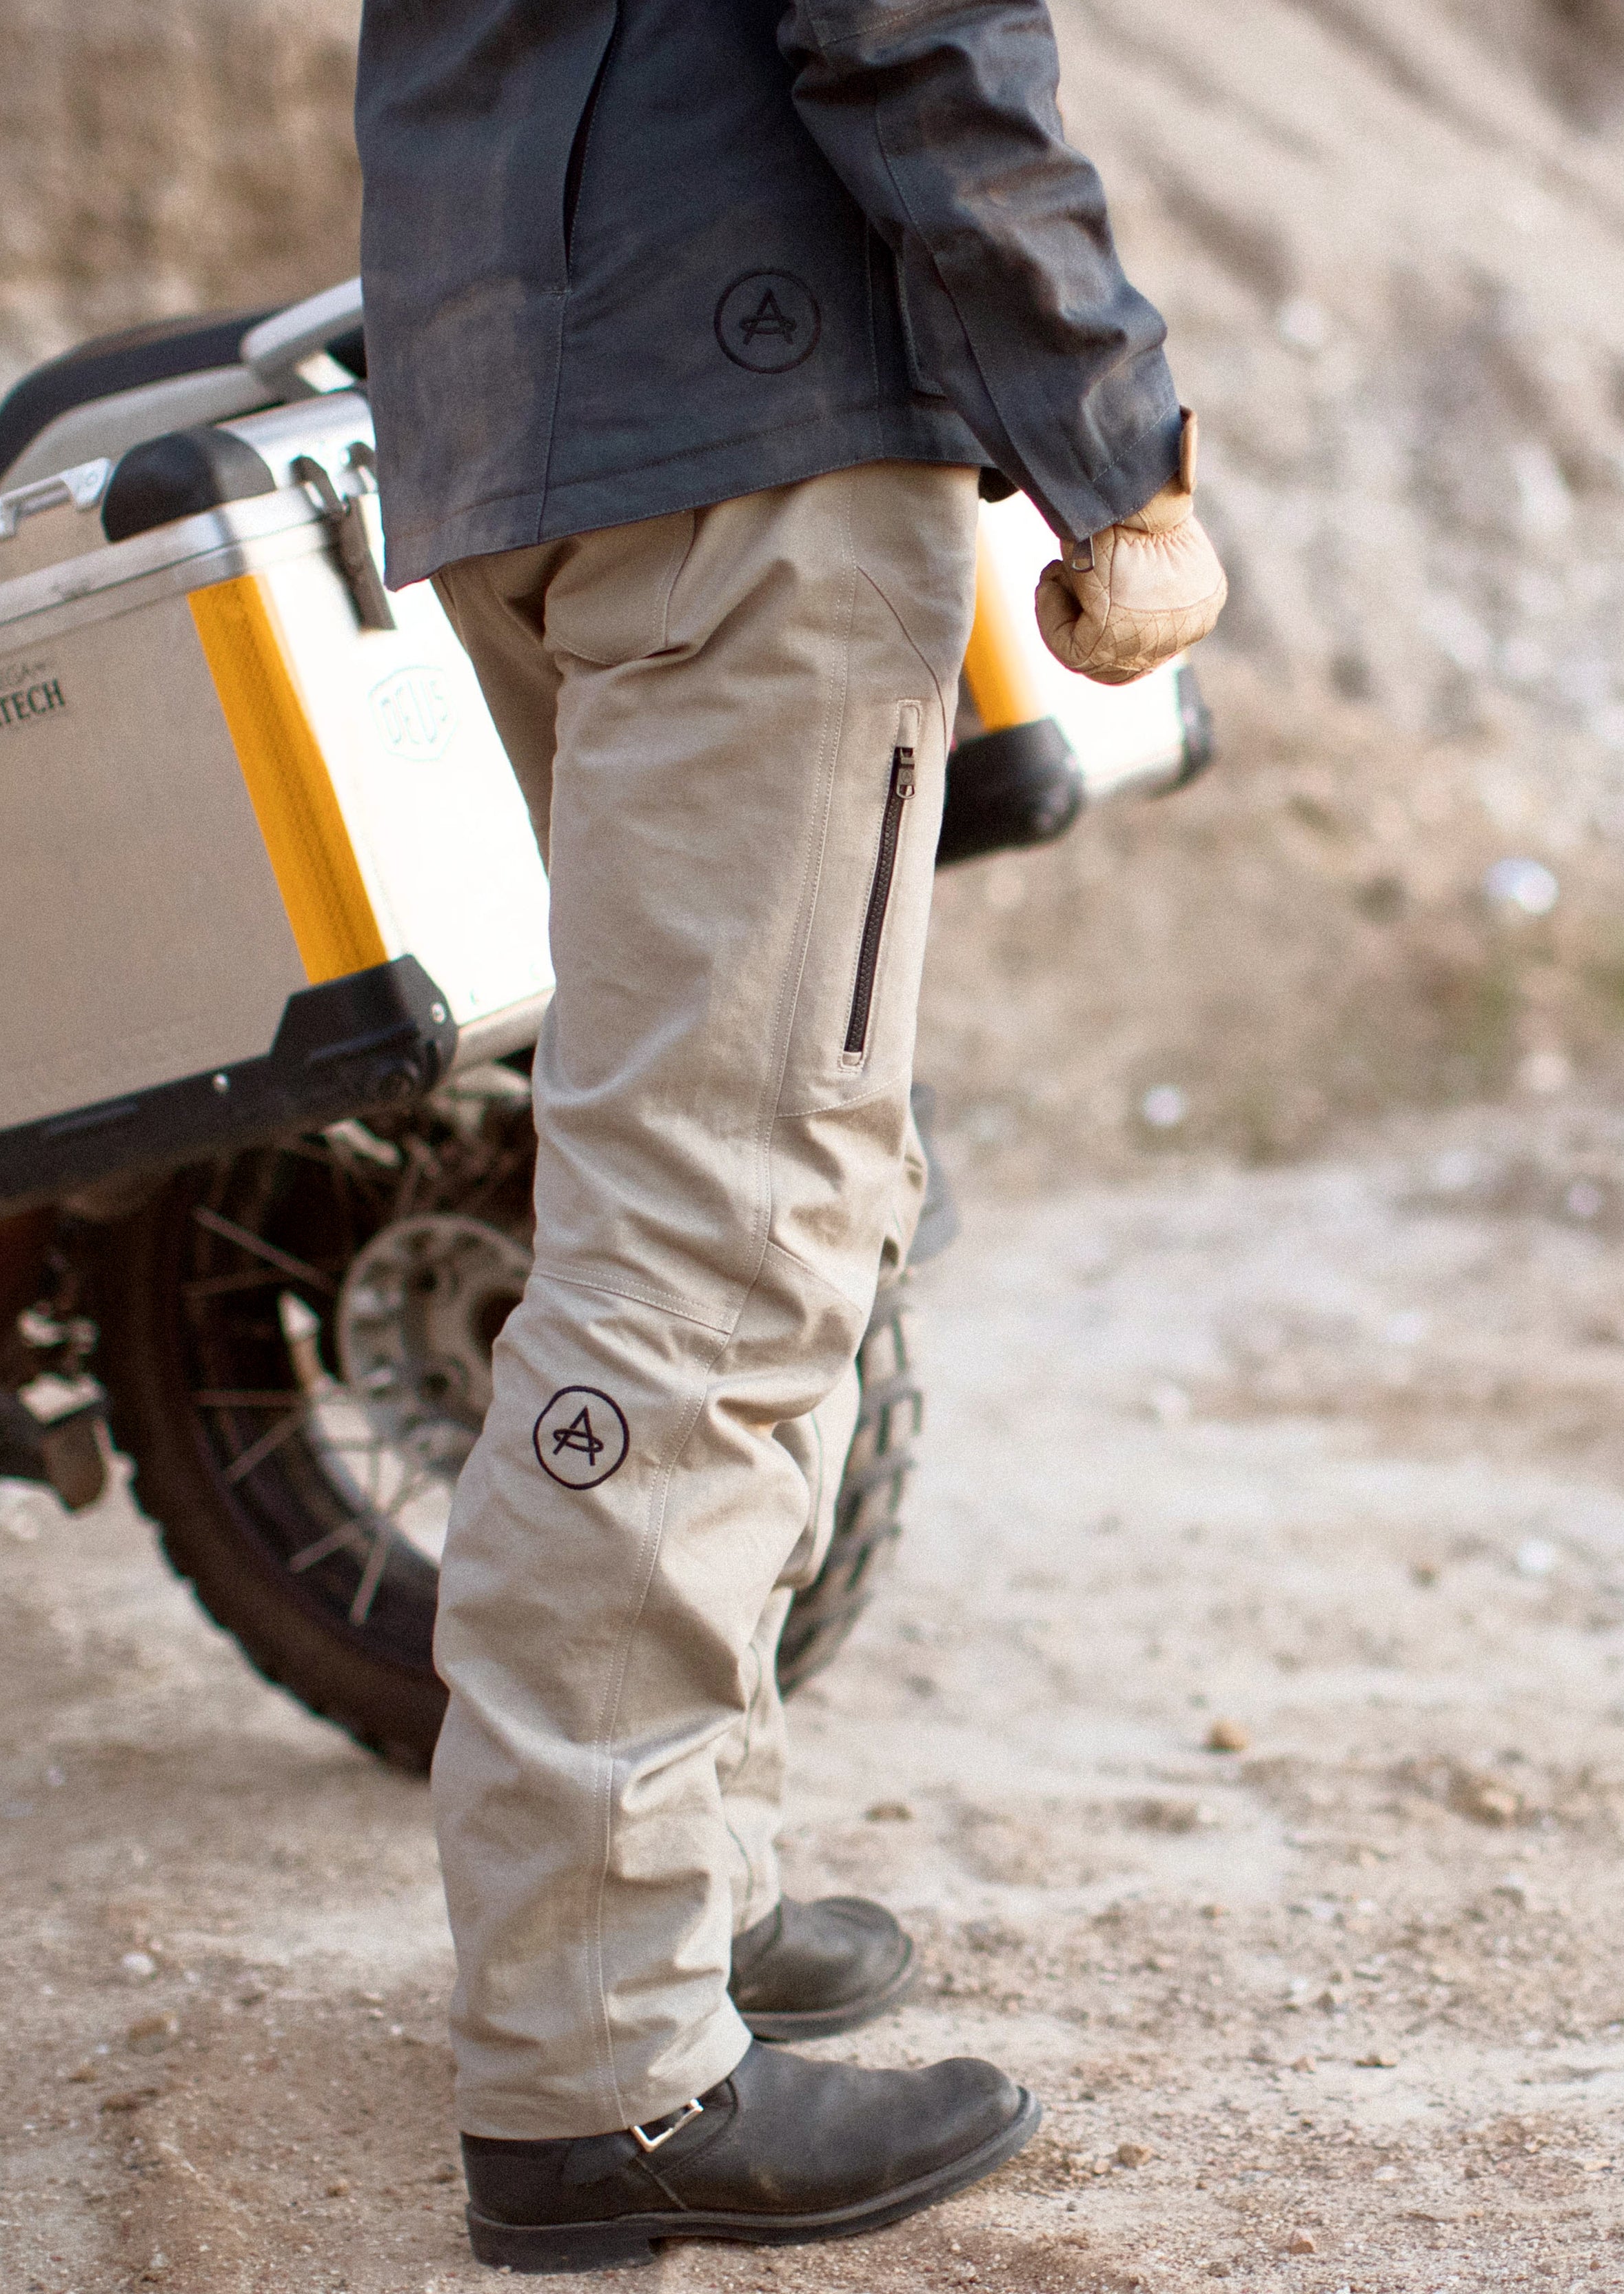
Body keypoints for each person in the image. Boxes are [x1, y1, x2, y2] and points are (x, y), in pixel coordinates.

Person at [354, 0, 1226, 2270]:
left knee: (713, 1183)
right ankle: (599, 2067)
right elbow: (909, 21)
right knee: (722, 1229)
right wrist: (1115, 442)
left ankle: (682, 1895)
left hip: (519, 403)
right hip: (743, 412)